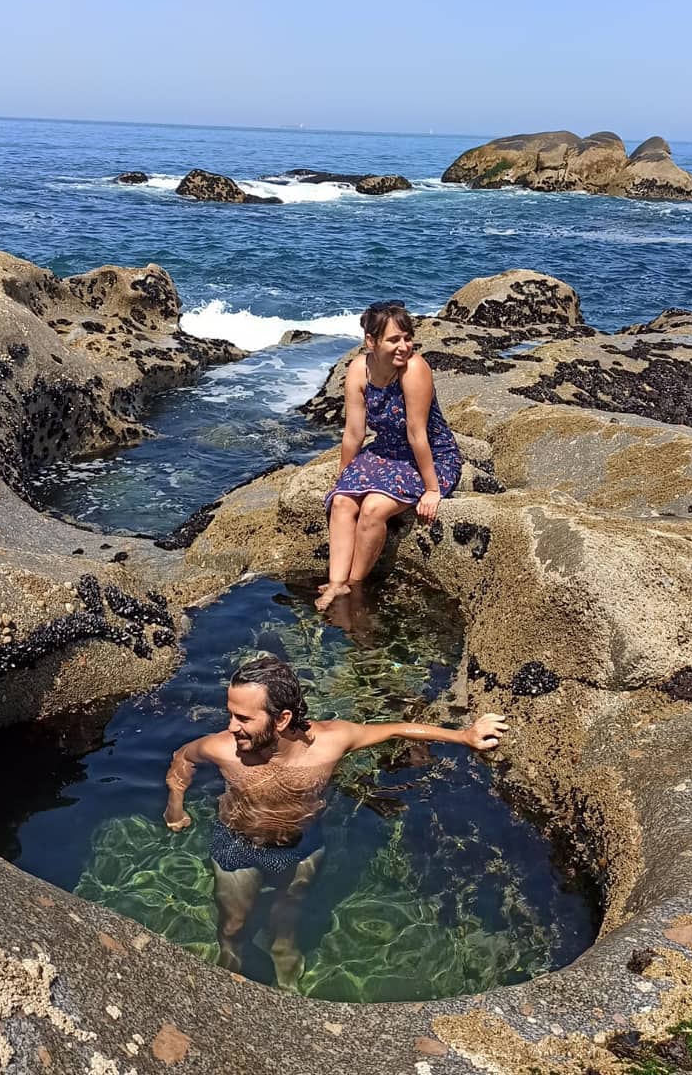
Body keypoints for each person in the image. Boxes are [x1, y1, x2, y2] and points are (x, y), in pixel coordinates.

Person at [163, 654, 507, 990]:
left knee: (288, 912)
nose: (231, 726)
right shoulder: (223, 749)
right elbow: (183, 757)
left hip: (302, 845)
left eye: (243, 718)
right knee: (234, 925)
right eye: (230, 714)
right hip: (238, 844)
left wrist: (464, 736)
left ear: (281, 719)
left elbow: (395, 730)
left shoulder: (330, 742)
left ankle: (283, 948)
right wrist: (175, 805)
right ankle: (230, 964)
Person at [315, 300, 462, 612]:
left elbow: (416, 433)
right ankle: (336, 580)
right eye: (394, 340)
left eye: (407, 338)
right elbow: (354, 433)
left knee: (372, 508)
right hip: (384, 452)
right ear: (372, 341)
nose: (404, 346)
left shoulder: (414, 369)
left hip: (430, 456)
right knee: (342, 500)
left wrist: (432, 489)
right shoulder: (358, 370)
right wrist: (344, 475)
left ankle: (353, 587)